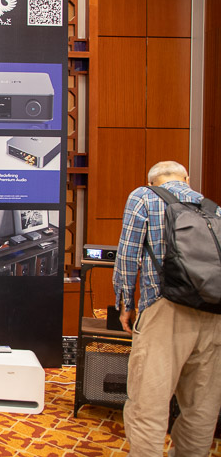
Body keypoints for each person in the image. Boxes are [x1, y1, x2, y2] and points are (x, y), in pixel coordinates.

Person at [112, 160, 221, 457]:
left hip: (164, 309)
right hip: (213, 313)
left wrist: (126, 303)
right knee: (202, 404)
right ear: (187, 178)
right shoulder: (211, 208)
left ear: (151, 181)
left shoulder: (143, 197)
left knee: (149, 401)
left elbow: (128, 256)